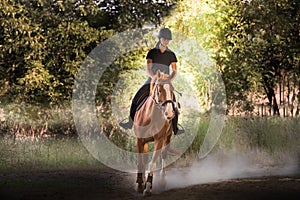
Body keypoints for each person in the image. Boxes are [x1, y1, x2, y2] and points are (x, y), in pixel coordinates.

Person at [119, 28, 184, 135]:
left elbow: (174, 70)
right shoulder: (152, 52)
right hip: (152, 80)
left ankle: (175, 128)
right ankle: (130, 122)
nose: (166, 41)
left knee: (173, 103)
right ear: (160, 38)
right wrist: (154, 78)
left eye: (168, 39)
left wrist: (169, 79)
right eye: (164, 39)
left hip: (165, 81)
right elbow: (148, 69)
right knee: (136, 98)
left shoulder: (171, 54)